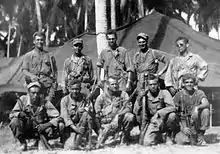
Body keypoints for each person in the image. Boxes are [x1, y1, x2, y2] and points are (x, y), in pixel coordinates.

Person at [9, 81, 64, 151]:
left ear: (40, 94)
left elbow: (58, 117)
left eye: (37, 93)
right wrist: (19, 114)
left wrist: (46, 125)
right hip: (26, 129)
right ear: (28, 93)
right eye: (33, 93)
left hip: (40, 130)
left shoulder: (45, 102)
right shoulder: (23, 100)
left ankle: (42, 141)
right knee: (14, 121)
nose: (35, 95)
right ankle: (23, 143)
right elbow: (11, 114)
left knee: (60, 125)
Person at [133, 74, 179, 145]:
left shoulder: (164, 92)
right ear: (148, 86)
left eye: (154, 84)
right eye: (150, 84)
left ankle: (169, 135)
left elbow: (172, 107)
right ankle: (157, 136)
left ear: (158, 84)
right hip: (152, 123)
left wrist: (159, 113)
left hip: (163, 121)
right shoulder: (144, 95)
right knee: (147, 143)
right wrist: (139, 99)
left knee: (172, 116)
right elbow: (135, 111)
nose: (153, 86)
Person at [95, 76, 134, 148]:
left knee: (129, 116)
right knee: (103, 142)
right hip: (106, 123)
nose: (115, 86)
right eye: (112, 84)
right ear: (107, 85)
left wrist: (118, 115)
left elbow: (129, 108)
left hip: (119, 120)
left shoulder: (123, 94)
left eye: (116, 84)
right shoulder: (101, 98)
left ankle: (124, 137)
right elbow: (98, 114)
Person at [174, 73, 210, 145]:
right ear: (183, 84)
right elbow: (176, 112)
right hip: (184, 122)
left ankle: (200, 135)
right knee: (182, 141)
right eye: (186, 82)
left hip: (196, 120)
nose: (189, 84)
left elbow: (206, 103)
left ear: (194, 83)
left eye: (191, 82)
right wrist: (183, 127)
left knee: (205, 111)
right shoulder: (179, 95)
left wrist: (197, 108)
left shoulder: (199, 93)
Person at [60, 80, 96, 150]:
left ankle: (88, 140)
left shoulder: (85, 98)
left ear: (80, 89)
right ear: (69, 89)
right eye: (73, 89)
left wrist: (86, 111)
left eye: (77, 89)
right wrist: (76, 129)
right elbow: (65, 117)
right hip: (70, 127)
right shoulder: (64, 100)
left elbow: (91, 111)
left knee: (88, 116)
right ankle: (66, 139)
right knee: (71, 147)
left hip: (82, 125)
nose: (75, 91)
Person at [22, 31, 58, 101]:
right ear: (34, 41)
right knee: (31, 106)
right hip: (34, 87)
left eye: (41, 40)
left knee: (47, 106)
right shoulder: (28, 55)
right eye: (38, 40)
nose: (40, 41)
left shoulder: (49, 55)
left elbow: (55, 72)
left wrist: (54, 87)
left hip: (47, 87)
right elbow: (24, 70)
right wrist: (32, 76)